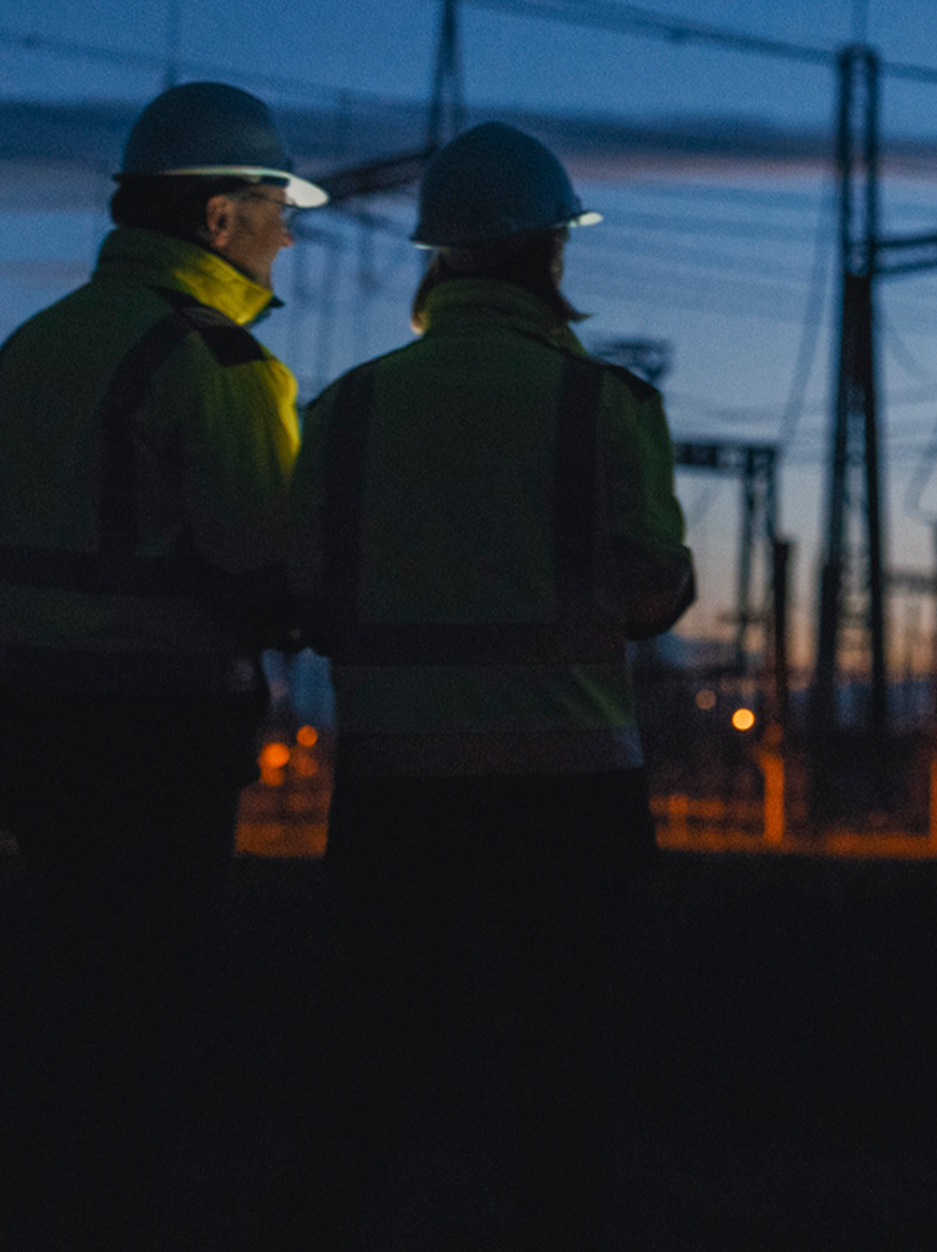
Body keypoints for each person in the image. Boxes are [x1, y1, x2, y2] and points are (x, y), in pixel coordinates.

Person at [269, 120, 695, 1252]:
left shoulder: (345, 410)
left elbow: (300, 594)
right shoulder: (604, 404)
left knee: (376, 1052)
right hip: (568, 793)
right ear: (550, 254)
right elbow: (655, 590)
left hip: (396, 786)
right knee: (563, 1064)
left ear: (435, 258)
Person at [0, 80, 326, 1248]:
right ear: (218, 219)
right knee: (151, 1004)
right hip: (159, 732)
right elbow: (267, 572)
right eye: (275, 206)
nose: (290, 231)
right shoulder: (217, 365)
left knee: (67, 978)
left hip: (26, 717)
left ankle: (10, 1202)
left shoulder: (28, 350)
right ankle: (118, 1213)